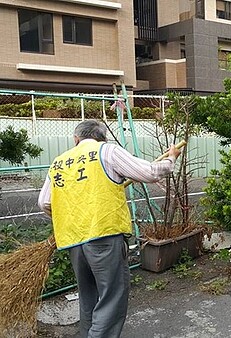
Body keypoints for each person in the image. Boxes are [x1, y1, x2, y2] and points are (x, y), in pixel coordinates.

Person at [38, 120, 181, 338]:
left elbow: (44, 202)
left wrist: (70, 217)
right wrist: (171, 158)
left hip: (74, 241)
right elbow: (151, 172)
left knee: (89, 298)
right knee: (112, 297)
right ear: (102, 137)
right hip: (104, 236)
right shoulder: (107, 151)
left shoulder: (59, 162)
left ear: (76, 139)